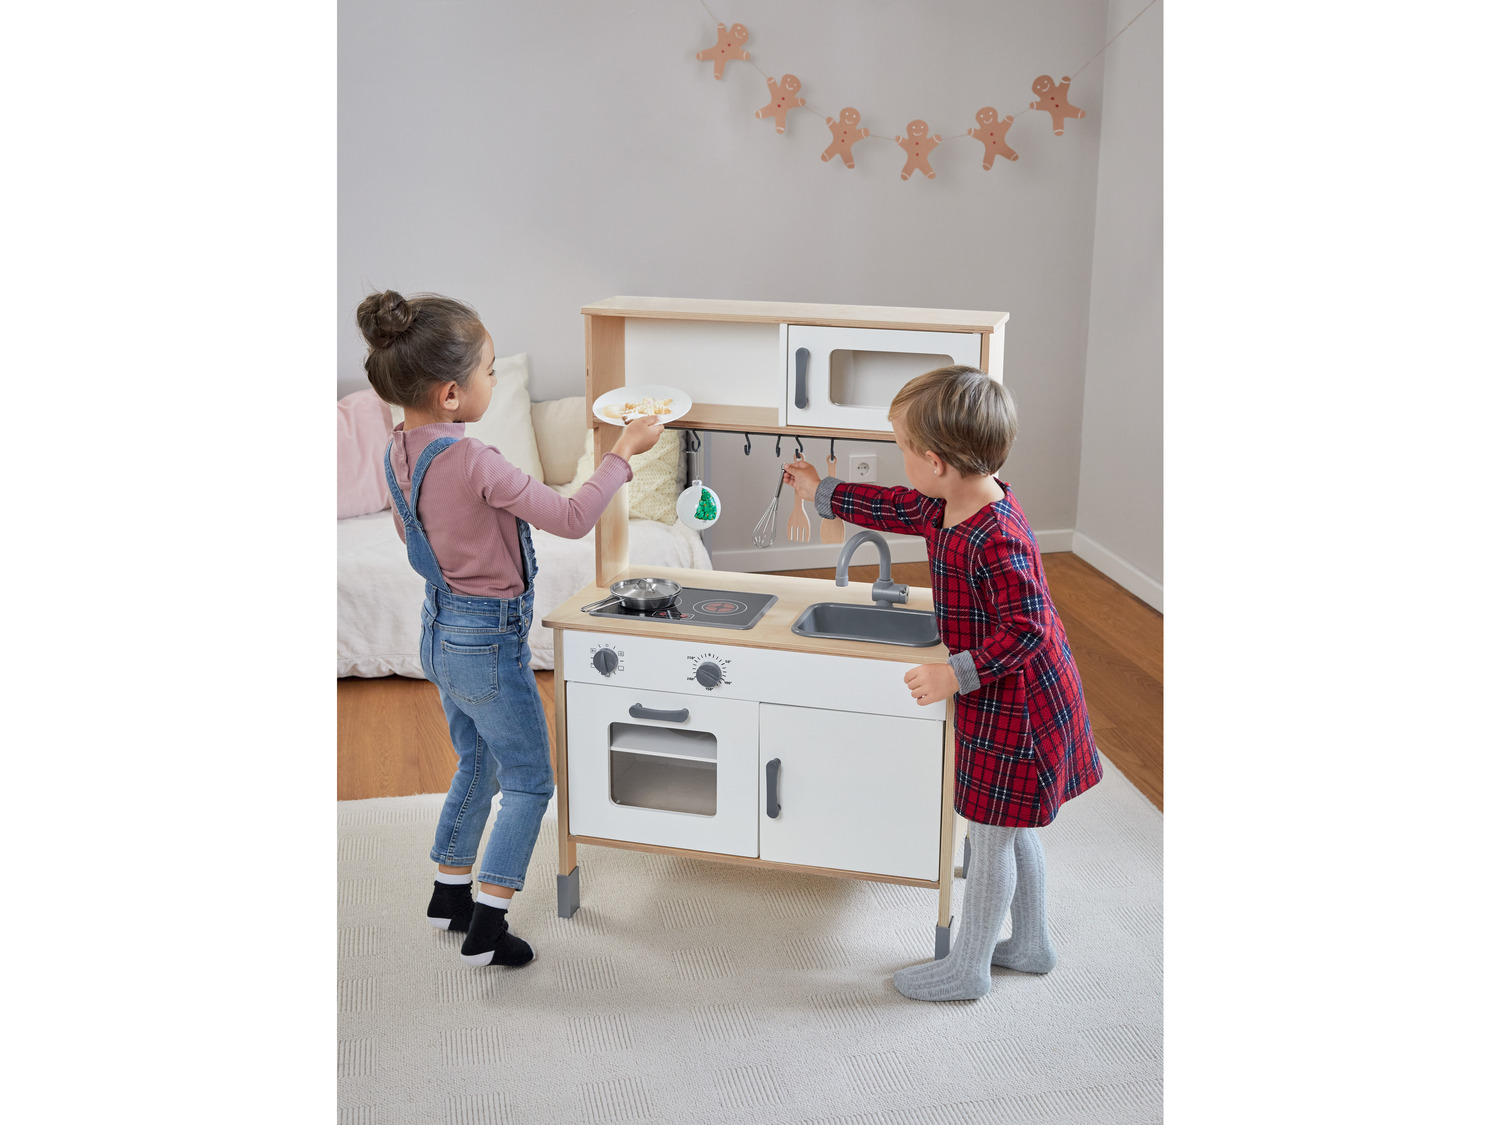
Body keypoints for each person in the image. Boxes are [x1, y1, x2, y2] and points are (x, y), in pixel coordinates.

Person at [357, 289, 664, 968]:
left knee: (478, 762)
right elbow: (572, 518)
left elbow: (416, 542)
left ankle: (450, 891)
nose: (494, 381)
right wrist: (622, 453)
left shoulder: (397, 454)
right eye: (490, 371)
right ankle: (489, 926)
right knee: (529, 781)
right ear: (450, 394)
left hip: (439, 630)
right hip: (487, 641)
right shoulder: (475, 461)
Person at [782, 365, 1102, 1002]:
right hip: (1011, 695)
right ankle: (1031, 943)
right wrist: (822, 491)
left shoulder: (996, 537)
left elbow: (1029, 630)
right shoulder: (954, 502)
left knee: (990, 839)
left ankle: (968, 968)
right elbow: (892, 506)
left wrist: (952, 673)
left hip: (1018, 707)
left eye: (902, 447)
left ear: (934, 461)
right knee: (1011, 829)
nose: (900, 460)